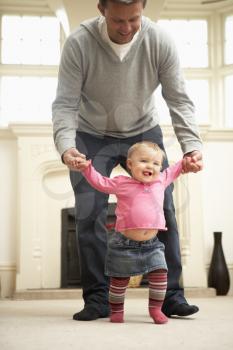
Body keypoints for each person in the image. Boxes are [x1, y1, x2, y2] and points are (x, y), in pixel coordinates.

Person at [52, 0, 203, 321]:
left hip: (142, 130)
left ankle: (172, 296)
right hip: (90, 133)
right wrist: (66, 147)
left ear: (143, 10)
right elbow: (65, 103)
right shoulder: (79, 43)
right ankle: (97, 298)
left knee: (164, 208)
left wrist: (191, 146)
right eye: (118, 19)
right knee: (89, 210)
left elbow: (178, 97)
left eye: (134, 19)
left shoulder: (159, 41)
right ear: (101, 10)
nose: (126, 27)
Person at [76, 141, 187, 324]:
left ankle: (155, 309)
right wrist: (87, 169)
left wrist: (186, 162)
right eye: (143, 160)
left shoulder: (161, 180)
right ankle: (116, 310)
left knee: (160, 274)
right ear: (130, 164)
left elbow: (175, 169)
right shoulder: (122, 183)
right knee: (119, 282)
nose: (150, 166)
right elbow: (101, 182)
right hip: (124, 245)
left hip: (153, 244)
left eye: (155, 163)